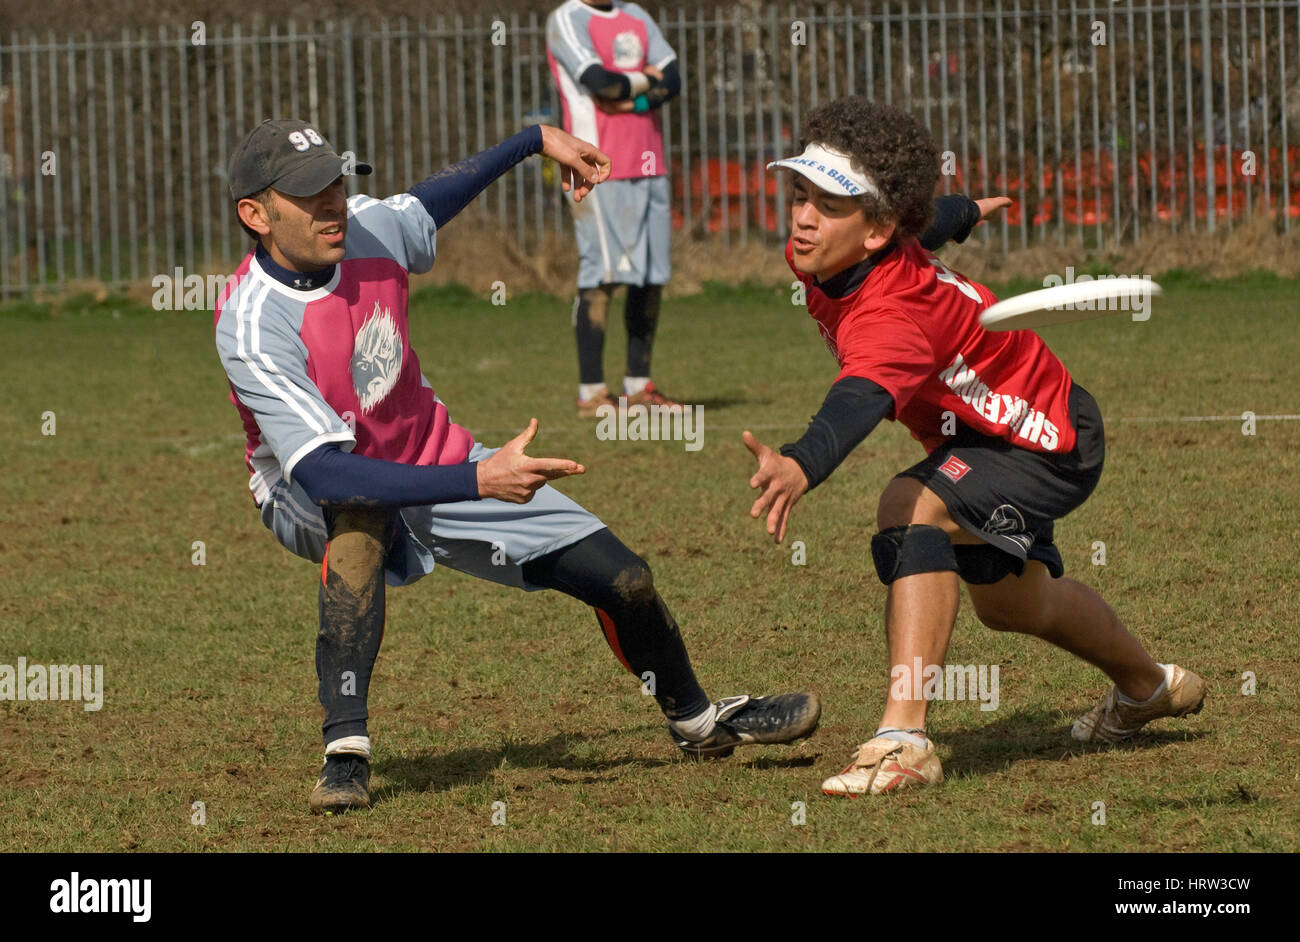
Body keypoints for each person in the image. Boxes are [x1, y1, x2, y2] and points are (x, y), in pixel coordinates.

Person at [214, 118, 820, 815]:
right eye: (307, 194)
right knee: (358, 516)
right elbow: (325, 475)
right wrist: (479, 480)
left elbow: (436, 197)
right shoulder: (253, 321)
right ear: (255, 215)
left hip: (433, 454)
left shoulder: (368, 229)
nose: (333, 203)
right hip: (303, 490)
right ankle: (345, 752)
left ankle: (698, 721)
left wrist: (534, 138)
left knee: (623, 578)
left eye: (335, 183)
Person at [742, 96, 1205, 797]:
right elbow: (915, 236)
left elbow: (860, 397)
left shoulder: (893, 317)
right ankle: (1149, 688)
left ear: (876, 230)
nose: (804, 217)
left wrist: (803, 461)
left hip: (1043, 441)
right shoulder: (838, 255)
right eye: (799, 194)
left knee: (909, 507)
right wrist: (958, 214)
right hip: (1006, 434)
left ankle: (904, 739)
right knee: (1015, 604)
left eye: (828, 205)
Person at [546, 0, 682, 417]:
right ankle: (592, 394)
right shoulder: (567, 18)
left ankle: (639, 387)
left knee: (651, 276)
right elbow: (598, 81)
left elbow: (673, 79)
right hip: (597, 167)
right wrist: (646, 82)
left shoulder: (637, 15)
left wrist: (633, 99)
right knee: (602, 276)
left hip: (649, 163)